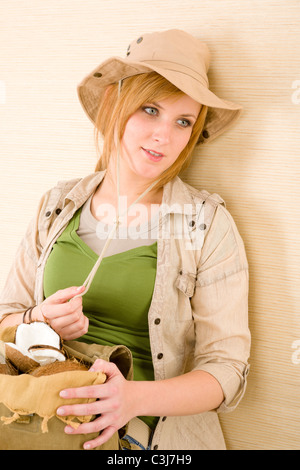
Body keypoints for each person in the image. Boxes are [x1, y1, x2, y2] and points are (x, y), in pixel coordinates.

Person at [0, 29, 250, 450]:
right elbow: (6, 318)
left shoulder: (207, 225)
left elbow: (227, 370)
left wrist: (130, 398)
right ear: (115, 103)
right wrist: (37, 318)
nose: (163, 136)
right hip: (32, 418)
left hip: (138, 438)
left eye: (183, 121)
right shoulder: (57, 204)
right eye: (150, 109)